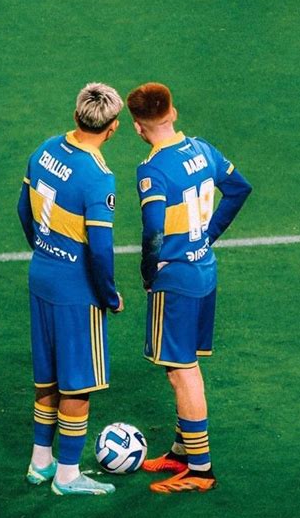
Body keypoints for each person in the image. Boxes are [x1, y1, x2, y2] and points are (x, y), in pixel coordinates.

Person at [126, 82, 252, 494]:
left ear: (137, 127)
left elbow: (153, 231)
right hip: (204, 272)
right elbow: (239, 188)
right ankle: (183, 451)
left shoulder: (153, 170)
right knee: (180, 365)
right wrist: (209, 235)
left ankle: (200, 469)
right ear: (173, 112)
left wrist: (149, 272)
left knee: (183, 372)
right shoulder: (202, 149)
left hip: (176, 281)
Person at [17, 82, 124, 496]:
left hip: (41, 275)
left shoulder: (43, 150)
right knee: (76, 384)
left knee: (47, 378)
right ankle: (66, 474)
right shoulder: (98, 178)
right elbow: (100, 250)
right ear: (112, 128)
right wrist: (109, 295)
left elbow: (23, 210)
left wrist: (44, 250)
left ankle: (39, 462)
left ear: (75, 115)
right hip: (75, 290)